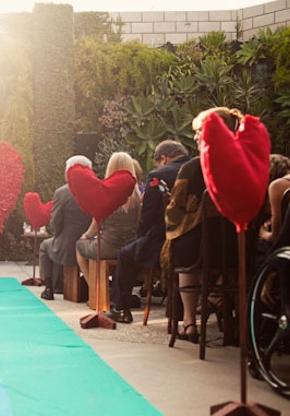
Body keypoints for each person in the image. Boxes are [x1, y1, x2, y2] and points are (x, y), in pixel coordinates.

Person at [162, 107, 245, 343]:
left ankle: (189, 322)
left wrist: (176, 224)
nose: (196, 137)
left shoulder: (191, 168)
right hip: (238, 248)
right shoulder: (246, 163)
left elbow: (174, 212)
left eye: (199, 131)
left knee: (179, 243)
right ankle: (233, 314)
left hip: (201, 251)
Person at [107, 141, 191, 323]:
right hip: (198, 242)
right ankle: (177, 308)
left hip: (165, 240)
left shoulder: (158, 176)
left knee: (126, 254)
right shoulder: (201, 170)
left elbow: (148, 216)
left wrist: (140, 238)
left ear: (164, 158)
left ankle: (121, 309)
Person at [75, 152, 141, 289]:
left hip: (107, 246)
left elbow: (95, 226)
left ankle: (94, 289)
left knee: (79, 246)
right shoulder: (137, 196)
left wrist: (86, 236)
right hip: (130, 246)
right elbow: (137, 223)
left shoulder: (105, 192)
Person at [38, 155, 93, 300]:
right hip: (91, 244)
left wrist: (56, 234)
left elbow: (55, 222)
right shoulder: (97, 189)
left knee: (44, 246)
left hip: (68, 246)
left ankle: (49, 288)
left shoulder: (62, 192)